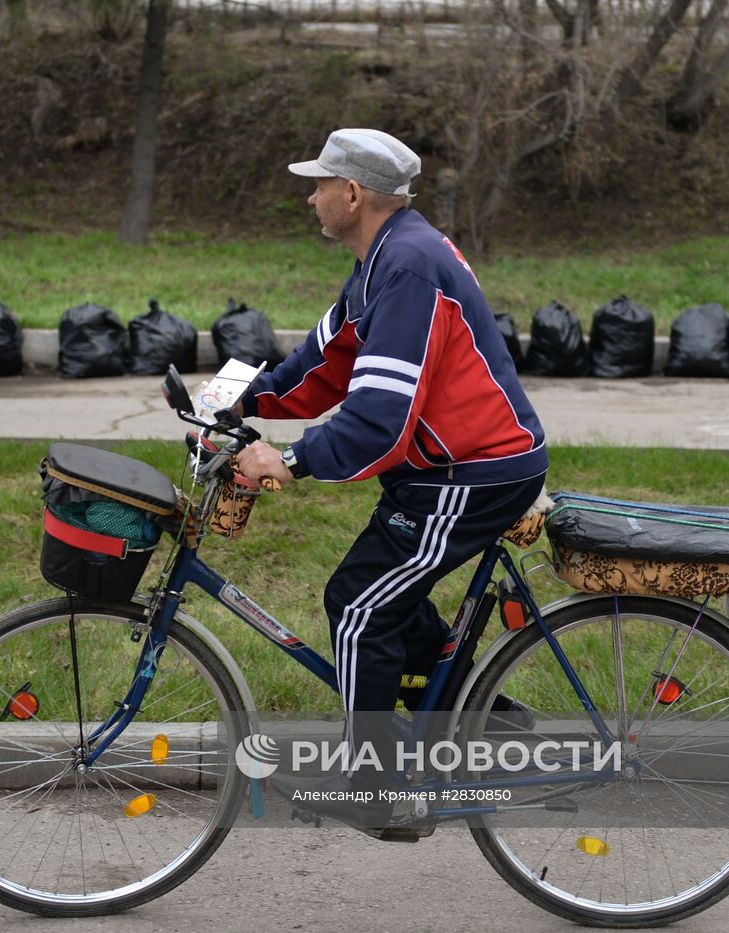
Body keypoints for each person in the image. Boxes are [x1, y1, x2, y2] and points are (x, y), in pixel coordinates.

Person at [231, 128, 548, 834]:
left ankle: (380, 793)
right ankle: (475, 712)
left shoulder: (405, 267)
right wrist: (240, 401)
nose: (310, 197)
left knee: (358, 606)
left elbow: (378, 416)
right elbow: (323, 363)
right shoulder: (384, 257)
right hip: (448, 467)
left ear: (351, 194)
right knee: (383, 591)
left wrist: (290, 458)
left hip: (474, 471)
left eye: (318, 185)